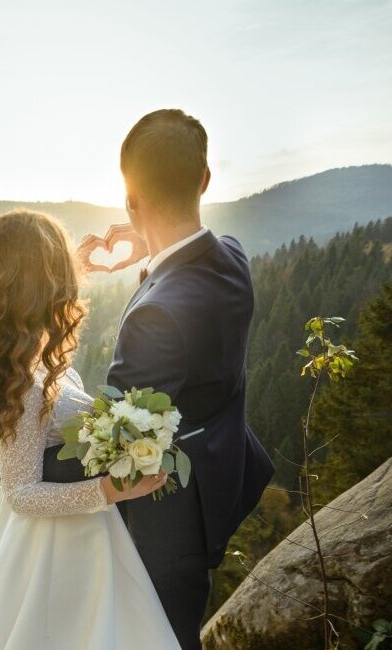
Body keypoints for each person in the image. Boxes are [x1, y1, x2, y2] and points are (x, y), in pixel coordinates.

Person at [0, 209, 179, 649]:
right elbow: (22, 495)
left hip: (68, 537)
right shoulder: (27, 383)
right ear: (46, 283)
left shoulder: (22, 367)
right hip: (57, 553)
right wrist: (111, 490)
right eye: (63, 271)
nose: (73, 281)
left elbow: (1, 463)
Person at [65, 108, 273, 649]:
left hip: (165, 528)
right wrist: (150, 250)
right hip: (216, 488)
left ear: (130, 201)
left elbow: (113, 447)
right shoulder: (232, 258)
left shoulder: (155, 317)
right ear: (205, 180)